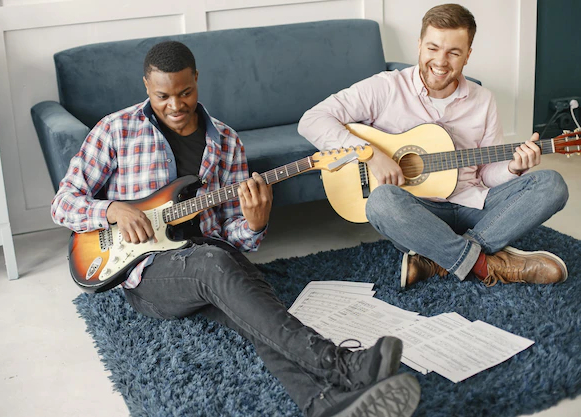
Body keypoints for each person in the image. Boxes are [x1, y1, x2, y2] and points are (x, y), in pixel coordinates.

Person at [51, 41, 420, 416]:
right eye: (163, 96)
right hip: (146, 275)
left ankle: (324, 403)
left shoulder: (225, 142)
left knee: (260, 313)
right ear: (146, 86)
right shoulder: (115, 130)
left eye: (185, 92)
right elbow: (63, 203)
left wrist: (255, 223)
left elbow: (230, 232)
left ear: (197, 79)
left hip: (208, 258)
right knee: (215, 266)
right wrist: (114, 210)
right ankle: (342, 364)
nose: (175, 105)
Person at [298, 3, 569, 289]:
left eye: (453, 52)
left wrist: (513, 168)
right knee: (380, 202)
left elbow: (487, 174)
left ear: (467, 55)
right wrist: (371, 154)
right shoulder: (386, 87)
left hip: (473, 205)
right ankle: (485, 264)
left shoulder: (483, 99)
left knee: (551, 184)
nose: (440, 61)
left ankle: (439, 258)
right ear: (419, 45)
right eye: (433, 48)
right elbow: (312, 120)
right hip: (418, 213)